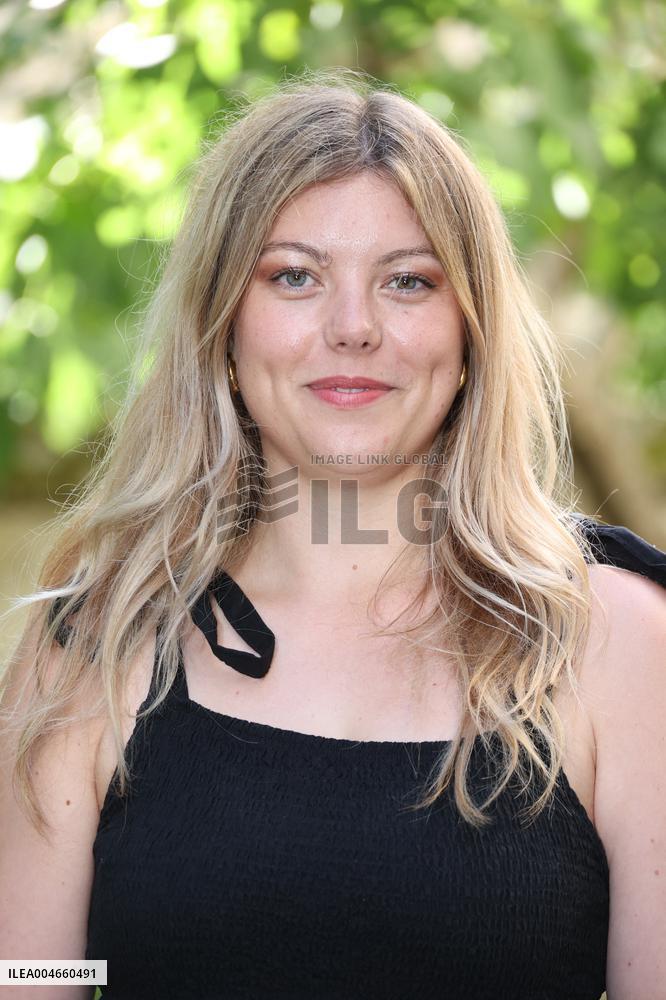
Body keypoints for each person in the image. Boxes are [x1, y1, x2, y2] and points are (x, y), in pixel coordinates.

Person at [1, 69, 665, 1000]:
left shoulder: (619, 643)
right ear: (224, 326)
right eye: (295, 276)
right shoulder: (95, 642)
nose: (352, 328)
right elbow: (30, 973)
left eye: (407, 280)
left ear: (469, 333)